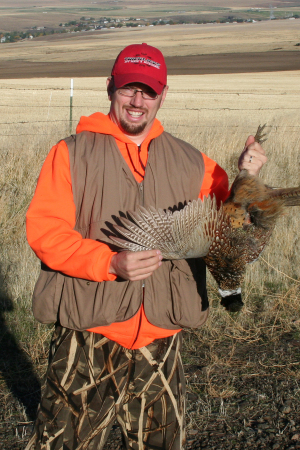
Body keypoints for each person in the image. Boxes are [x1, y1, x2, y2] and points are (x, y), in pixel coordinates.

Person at [25, 43, 267, 450]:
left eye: (149, 91)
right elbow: (46, 232)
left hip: (161, 335)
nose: (138, 101)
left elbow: (231, 226)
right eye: (128, 88)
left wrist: (248, 175)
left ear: (163, 94)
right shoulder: (71, 153)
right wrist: (109, 262)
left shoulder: (193, 163)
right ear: (109, 88)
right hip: (88, 333)